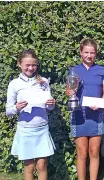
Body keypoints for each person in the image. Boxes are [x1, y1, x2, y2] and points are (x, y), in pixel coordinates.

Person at [6, 49, 56, 180]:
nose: (30, 68)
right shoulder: (14, 84)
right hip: (25, 130)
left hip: (42, 129)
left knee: (42, 166)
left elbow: (49, 108)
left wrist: (51, 104)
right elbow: (8, 111)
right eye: (27, 65)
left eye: (33, 65)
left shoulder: (44, 82)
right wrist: (16, 108)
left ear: (37, 65)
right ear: (19, 64)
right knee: (29, 167)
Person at [66, 38, 104, 180]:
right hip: (79, 116)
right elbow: (68, 91)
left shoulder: (102, 70)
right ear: (81, 53)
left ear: (96, 54)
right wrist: (70, 92)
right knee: (81, 153)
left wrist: (101, 102)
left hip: (96, 115)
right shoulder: (73, 70)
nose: (89, 55)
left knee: (94, 152)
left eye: (92, 53)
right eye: (86, 52)